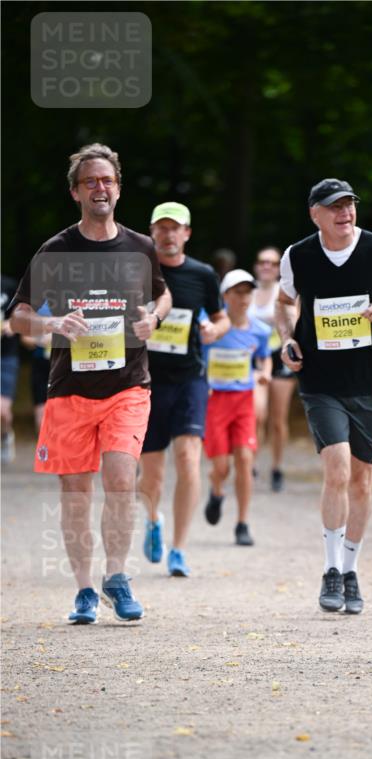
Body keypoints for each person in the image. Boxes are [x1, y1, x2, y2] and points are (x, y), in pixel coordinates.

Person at [8, 143, 172, 623]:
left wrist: (153, 320)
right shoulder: (55, 251)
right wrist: (52, 323)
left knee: (121, 478)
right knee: (75, 491)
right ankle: (83, 590)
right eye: (90, 182)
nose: (100, 188)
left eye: (107, 180)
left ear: (118, 189)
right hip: (70, 390)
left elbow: (163, 297)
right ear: (76, 193)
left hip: (128, 386)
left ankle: (117, 577)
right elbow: (17, 317)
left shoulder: (141, 247)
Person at [276, 177, 372, 615]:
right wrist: (286, 339)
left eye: (350, 205)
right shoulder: (297, 255)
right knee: (336, 470)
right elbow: (283, 303)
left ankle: (352, 570)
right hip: (321, 381)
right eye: (334, 206)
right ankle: (331, 569)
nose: (345, 213)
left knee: (362, 479)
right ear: (315, 213)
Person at [137, 202, 229, 578]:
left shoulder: (202, 274)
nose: (168, 235)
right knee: (153, 474)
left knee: (189, 457)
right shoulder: (137, 273)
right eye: (162, 228)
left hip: (190, 378)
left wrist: (214, 331)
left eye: (176, 228)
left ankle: (179, 548)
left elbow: (221, 318)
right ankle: (154, 519)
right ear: (152, 232)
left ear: (187, 233)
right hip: (145, 380)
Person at [203, 268, 272, 546]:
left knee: (245, 459)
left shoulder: (261, 330)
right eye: (238, 292)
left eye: (248, 292)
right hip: (215, 400)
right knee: (221, 467)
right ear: (225, 296)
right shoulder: (211, 326)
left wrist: (265, 372)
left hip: (244, 399)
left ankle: (242, 523)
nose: (244, 298)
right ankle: (217, 489)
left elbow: (265, 358)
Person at [248, 245, 298, 491]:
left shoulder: (285, 292)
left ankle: (277, 467)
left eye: (272, 262)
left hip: (280, 356)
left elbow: (294, 319)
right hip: (254, 358)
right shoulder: (247, 291)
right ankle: (252, 465)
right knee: (258, 414)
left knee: (278, 419)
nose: (266, 266)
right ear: (256, 266)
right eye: (262, 261)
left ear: (279, 268)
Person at [1, 275, 19, 463]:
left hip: (5, 355)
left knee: (3, 411)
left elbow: (23, 315)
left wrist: (11, 324)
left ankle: (5, 436)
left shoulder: (9, 285)